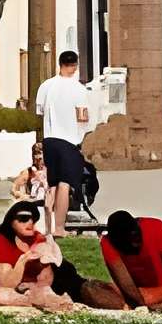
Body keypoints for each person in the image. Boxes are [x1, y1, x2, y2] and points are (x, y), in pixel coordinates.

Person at [0, 199, 106, 311]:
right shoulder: (2, 240)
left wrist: (41, 266)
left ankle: (46, 300)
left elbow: (46, 279)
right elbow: (6, 284)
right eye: (23, 218)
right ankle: (41, 301)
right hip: (16, 290)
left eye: (34, 218)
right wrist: (23, 260)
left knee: (89, 289)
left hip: (48, 285)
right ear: (10, 221)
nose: (30, 222)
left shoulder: (38, 239)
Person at [33, 51, 102, 236]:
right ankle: (59, 227)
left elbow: (39, 112)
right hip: (69, 141)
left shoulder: (46, 86)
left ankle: (47, 227)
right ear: (75, 65)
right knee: (65, 184)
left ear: (59, 63)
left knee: (52, 184)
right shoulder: (79, 90)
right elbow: (82, 117)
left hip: (49, 140)